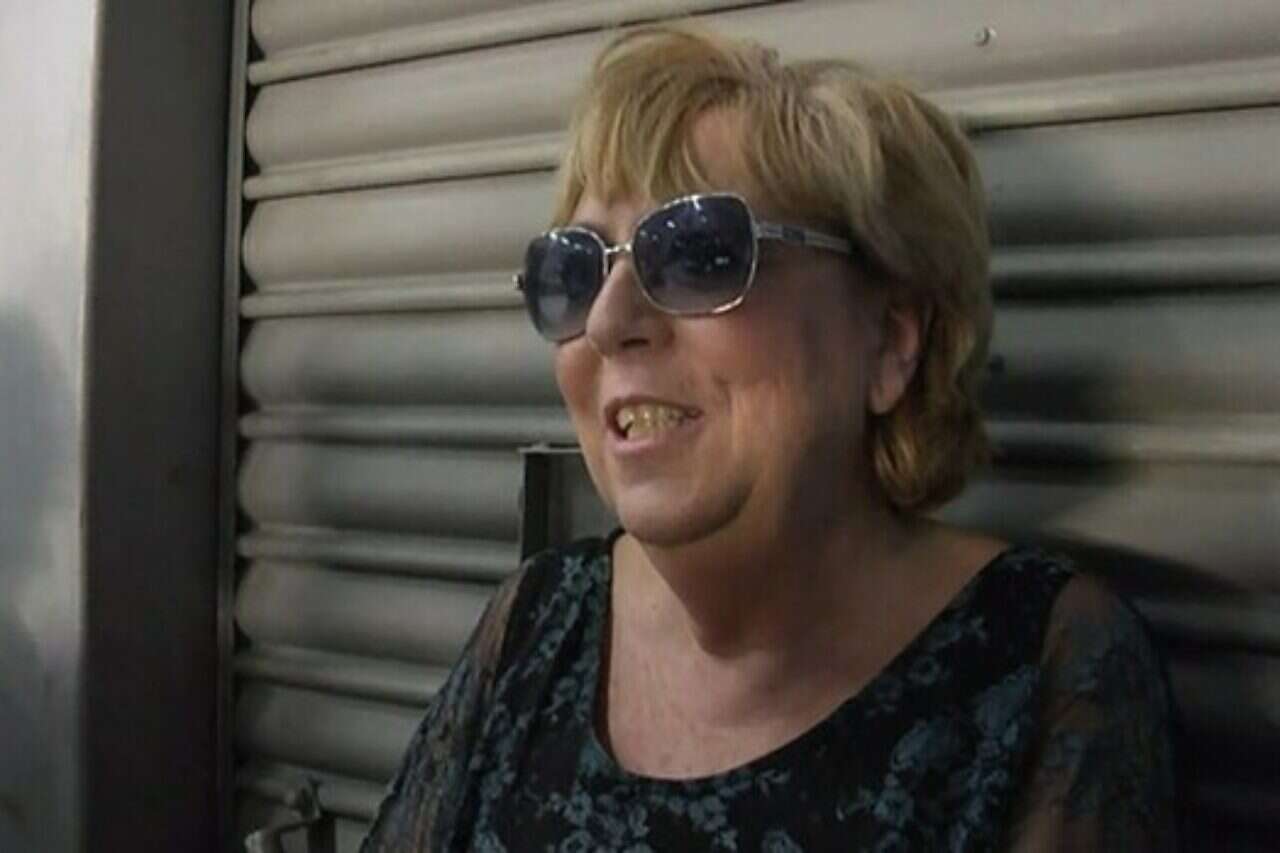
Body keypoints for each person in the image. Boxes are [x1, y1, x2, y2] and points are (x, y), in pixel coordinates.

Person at [361, 25, 1175, 852]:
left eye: (697, 253)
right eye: (573, 269)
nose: (606, 322)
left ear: (890, 342)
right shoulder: (536, 622)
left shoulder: (1043, 664)